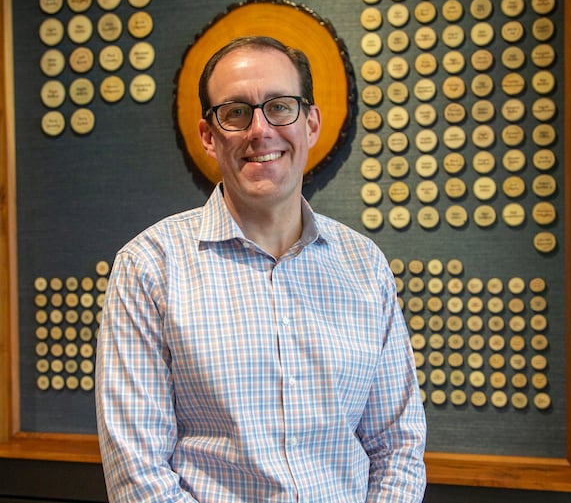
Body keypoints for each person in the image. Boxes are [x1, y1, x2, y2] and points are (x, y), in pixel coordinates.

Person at [95, 35, 427, 502]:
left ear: (310, 123)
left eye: (279, 107)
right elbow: (138, 473)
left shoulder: (364, 265)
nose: (260, 130)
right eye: (235, 112)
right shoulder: (149, 268)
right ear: (209, 136)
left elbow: (398, 445)